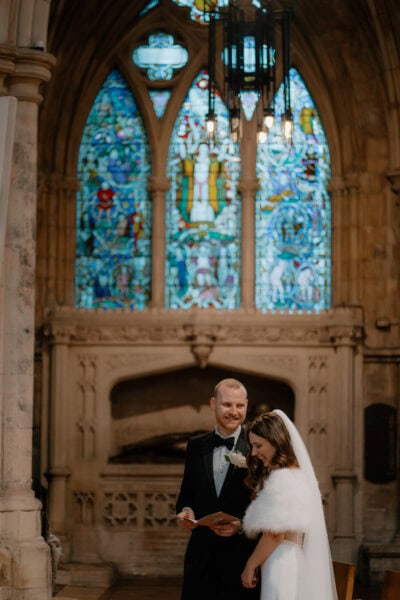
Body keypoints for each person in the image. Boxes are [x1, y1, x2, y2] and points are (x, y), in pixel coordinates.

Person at [176, 378, 259, 600]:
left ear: (246, 405)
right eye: (227, 405)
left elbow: (268, 506)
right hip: (200, 558)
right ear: (213, 404)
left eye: (239, 406)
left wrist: (242, 526)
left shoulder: (258, 445)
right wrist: (186, 510)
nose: (233, 411)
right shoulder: (196, 445)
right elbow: (187, 493)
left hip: (242, 559)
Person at [241, 410, 338, 600]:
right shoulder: (292, 473)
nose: (253, 453)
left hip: (282, 564)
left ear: (275, 440)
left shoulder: (284, 478)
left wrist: (250, 565)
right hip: (283, 559)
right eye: (252, 446)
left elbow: (275, 534)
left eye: (258, 445)